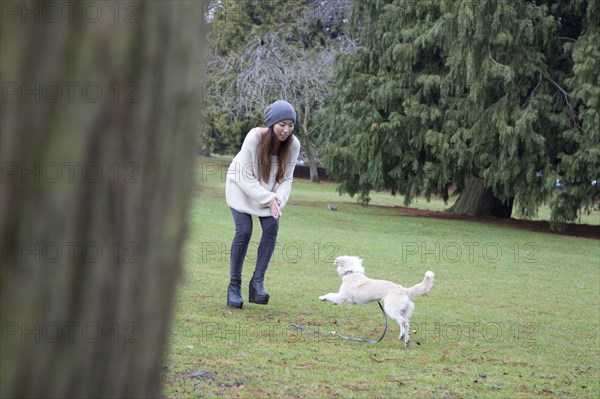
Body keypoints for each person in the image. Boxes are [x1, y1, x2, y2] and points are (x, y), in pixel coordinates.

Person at [225, 100, 301, 308]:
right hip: (240, 186)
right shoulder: (254, 138)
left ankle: (256, 284)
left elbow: (286, 179)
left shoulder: (293, 145)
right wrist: (271, 199)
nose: (286, 130)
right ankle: (234, 286)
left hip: (268, 191)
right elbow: (246, 177)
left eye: (291, 125)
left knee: (271, 226)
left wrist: (278, 200)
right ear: (271, 123)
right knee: (244, 230)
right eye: (282, 124)